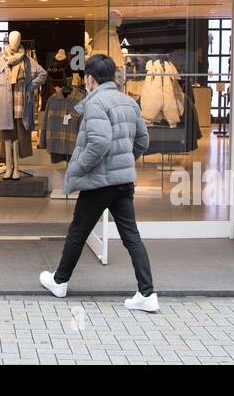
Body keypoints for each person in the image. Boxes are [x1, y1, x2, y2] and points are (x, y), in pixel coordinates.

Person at [40, 53, 158, 312]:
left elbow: (99, 143)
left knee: (78, 232)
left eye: (86, 77)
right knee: (131, 236)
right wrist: (124, 161)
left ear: (90, 78)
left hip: (99, 183)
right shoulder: (128, 102)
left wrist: (78, 167)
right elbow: (143, 141)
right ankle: (147, 293)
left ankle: (59, 281)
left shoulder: (95, 103)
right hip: (123, 182)